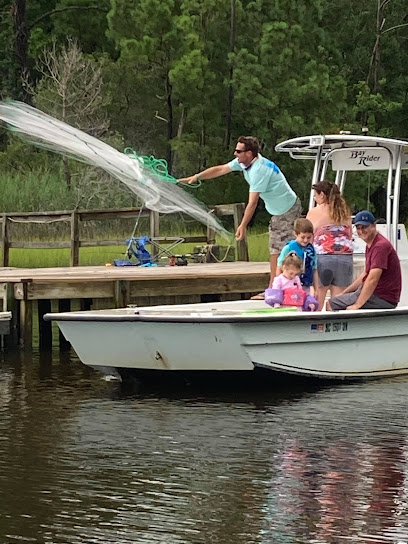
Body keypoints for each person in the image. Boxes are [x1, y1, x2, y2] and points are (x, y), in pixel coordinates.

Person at [178, 136, 301, 298]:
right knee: (278, 249)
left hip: (287, 209)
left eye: (238, 151)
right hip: (279, 210)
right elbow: (221, 169)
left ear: (249, 153)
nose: (235, 154)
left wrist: (242, 225)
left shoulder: (259, 170)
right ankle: (278, 288)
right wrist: (197, 176)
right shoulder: (244, 163)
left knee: (277, 250)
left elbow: (252, 203)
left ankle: (274, 291)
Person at [328, 210, 401, 311]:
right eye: (358, 228)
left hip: (382, 297)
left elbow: (372, 278)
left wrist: (357, 305)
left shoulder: (380, 246)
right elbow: (365, 274)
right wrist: (344, 293)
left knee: (331, 304)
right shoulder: (371, 244)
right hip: (377, 295)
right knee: (337, 299)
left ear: (374, 226)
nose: (361, 231)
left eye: (365, 227)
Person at [306, 180, 353, 310]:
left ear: (322, 195)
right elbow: (349, 234)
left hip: (323, 257)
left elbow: (308, 236)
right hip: (345, 258)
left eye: (315, 195)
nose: (314, 198)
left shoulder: (314, 212)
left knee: (317, 301)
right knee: (337, 303)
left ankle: (314, 327)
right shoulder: (344, 212)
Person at [277, 217, 318, 294]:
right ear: (295, 234)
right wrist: (278, 285)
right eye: (303, 237)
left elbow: (314, 269)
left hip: (306, 285)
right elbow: (279, 266)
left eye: (308, 237)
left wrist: (316, 288)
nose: (306, 240)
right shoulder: (289, 248)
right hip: (289, 283)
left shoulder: (312, 250)